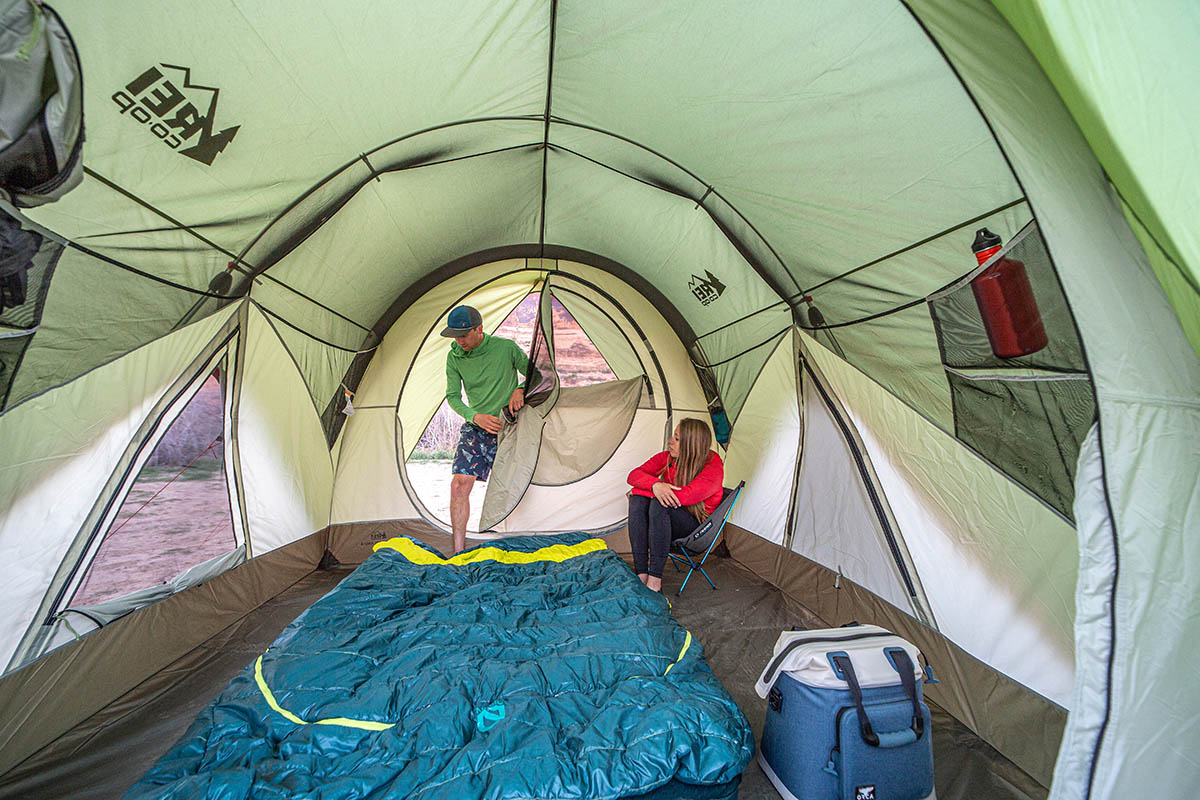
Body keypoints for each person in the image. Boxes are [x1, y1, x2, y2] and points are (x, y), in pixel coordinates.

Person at [442, 304, 529, 553]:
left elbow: (540, 374)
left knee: (516, 487)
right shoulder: (454, 357)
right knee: (459, 484)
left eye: (464, 334)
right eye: (455, 336)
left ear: (480, 329)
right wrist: (474, 416)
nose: (459, 341)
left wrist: (520, 388)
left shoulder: (506, 348)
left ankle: (516, 544)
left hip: (509, 426)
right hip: (477, 426)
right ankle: (458, 551)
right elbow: (453, 397)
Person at [626, 417, 724, 592]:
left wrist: (642, 489)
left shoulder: (712, 466)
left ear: (690, 445)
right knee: (638, 500)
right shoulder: (669, 459)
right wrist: (655, 485)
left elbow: (683, 497)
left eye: (677, 439)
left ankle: (655, 581)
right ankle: (641, 574)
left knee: (660, 502)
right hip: (664, 524)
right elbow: (633, 475)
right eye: (673, 436)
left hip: (695, 530)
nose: (670, 441)